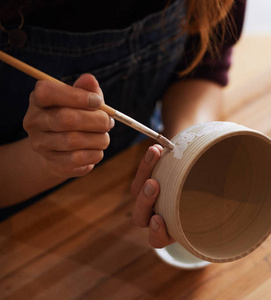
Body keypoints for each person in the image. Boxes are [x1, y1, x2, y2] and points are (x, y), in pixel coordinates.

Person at [0, 0, 246, 248]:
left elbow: (203, 65)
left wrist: (186, 156)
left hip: (131, 172)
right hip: (20, 222)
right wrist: (45, 161)